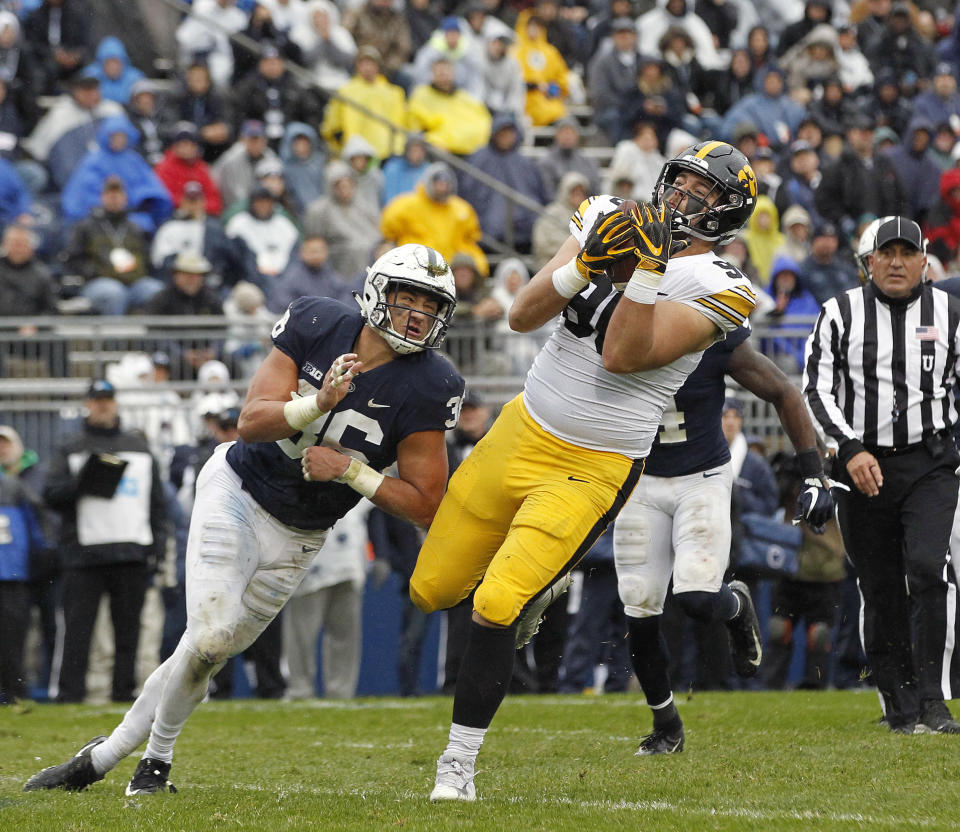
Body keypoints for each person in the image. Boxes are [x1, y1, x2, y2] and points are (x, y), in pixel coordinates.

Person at [24, 243, 464, 794]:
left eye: (431, 304)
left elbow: (427, 502)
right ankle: (153, 765)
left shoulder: (430, 383)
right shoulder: (317, 321)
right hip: (238, 490)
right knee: (208, 638)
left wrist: (351, 472)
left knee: (208, 651)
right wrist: (315, 405)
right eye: (408, 298)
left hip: (303, 533)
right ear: (377, 292)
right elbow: (250, 420)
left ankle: (99, 759)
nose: (419, 315)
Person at [411, 141, 765, 801]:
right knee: (431, 590)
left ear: (729, 213)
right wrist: (584, 265)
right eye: (682, 181)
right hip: (520, 428)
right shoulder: (603, 212)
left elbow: (624, 357)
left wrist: (647, 269)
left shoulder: (725, 286)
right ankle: (539, 584)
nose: (687, 197)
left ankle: (456, 767)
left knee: (493, 606)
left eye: (706, 193)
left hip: (595, 462)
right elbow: (521, 316)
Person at [803, 216, 960, 735]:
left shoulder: (950, 314)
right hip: (861, 464)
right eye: (886, 254)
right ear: (870, 261)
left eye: (906, 253)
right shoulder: (839, 313)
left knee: (926, 571)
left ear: (923, 261)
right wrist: (848, 449)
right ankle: (900, 704)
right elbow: (815, 389)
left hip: (931, 462)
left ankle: (934, 701)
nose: (896, 262)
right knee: (881, 585)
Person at [41, 379, 168, 705]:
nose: (102, 405)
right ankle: (70, 695)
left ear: (116, 403)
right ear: (87, 403)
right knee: (77, 631)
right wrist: (82, 482)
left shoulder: (139, 448)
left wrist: (155, 549)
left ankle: (123, 694)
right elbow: (50, 496)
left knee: (129, 633)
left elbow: (157, 505)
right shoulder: (69, 447)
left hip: (131, 552)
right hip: (84, 554)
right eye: (97, 400)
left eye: (107, 399)